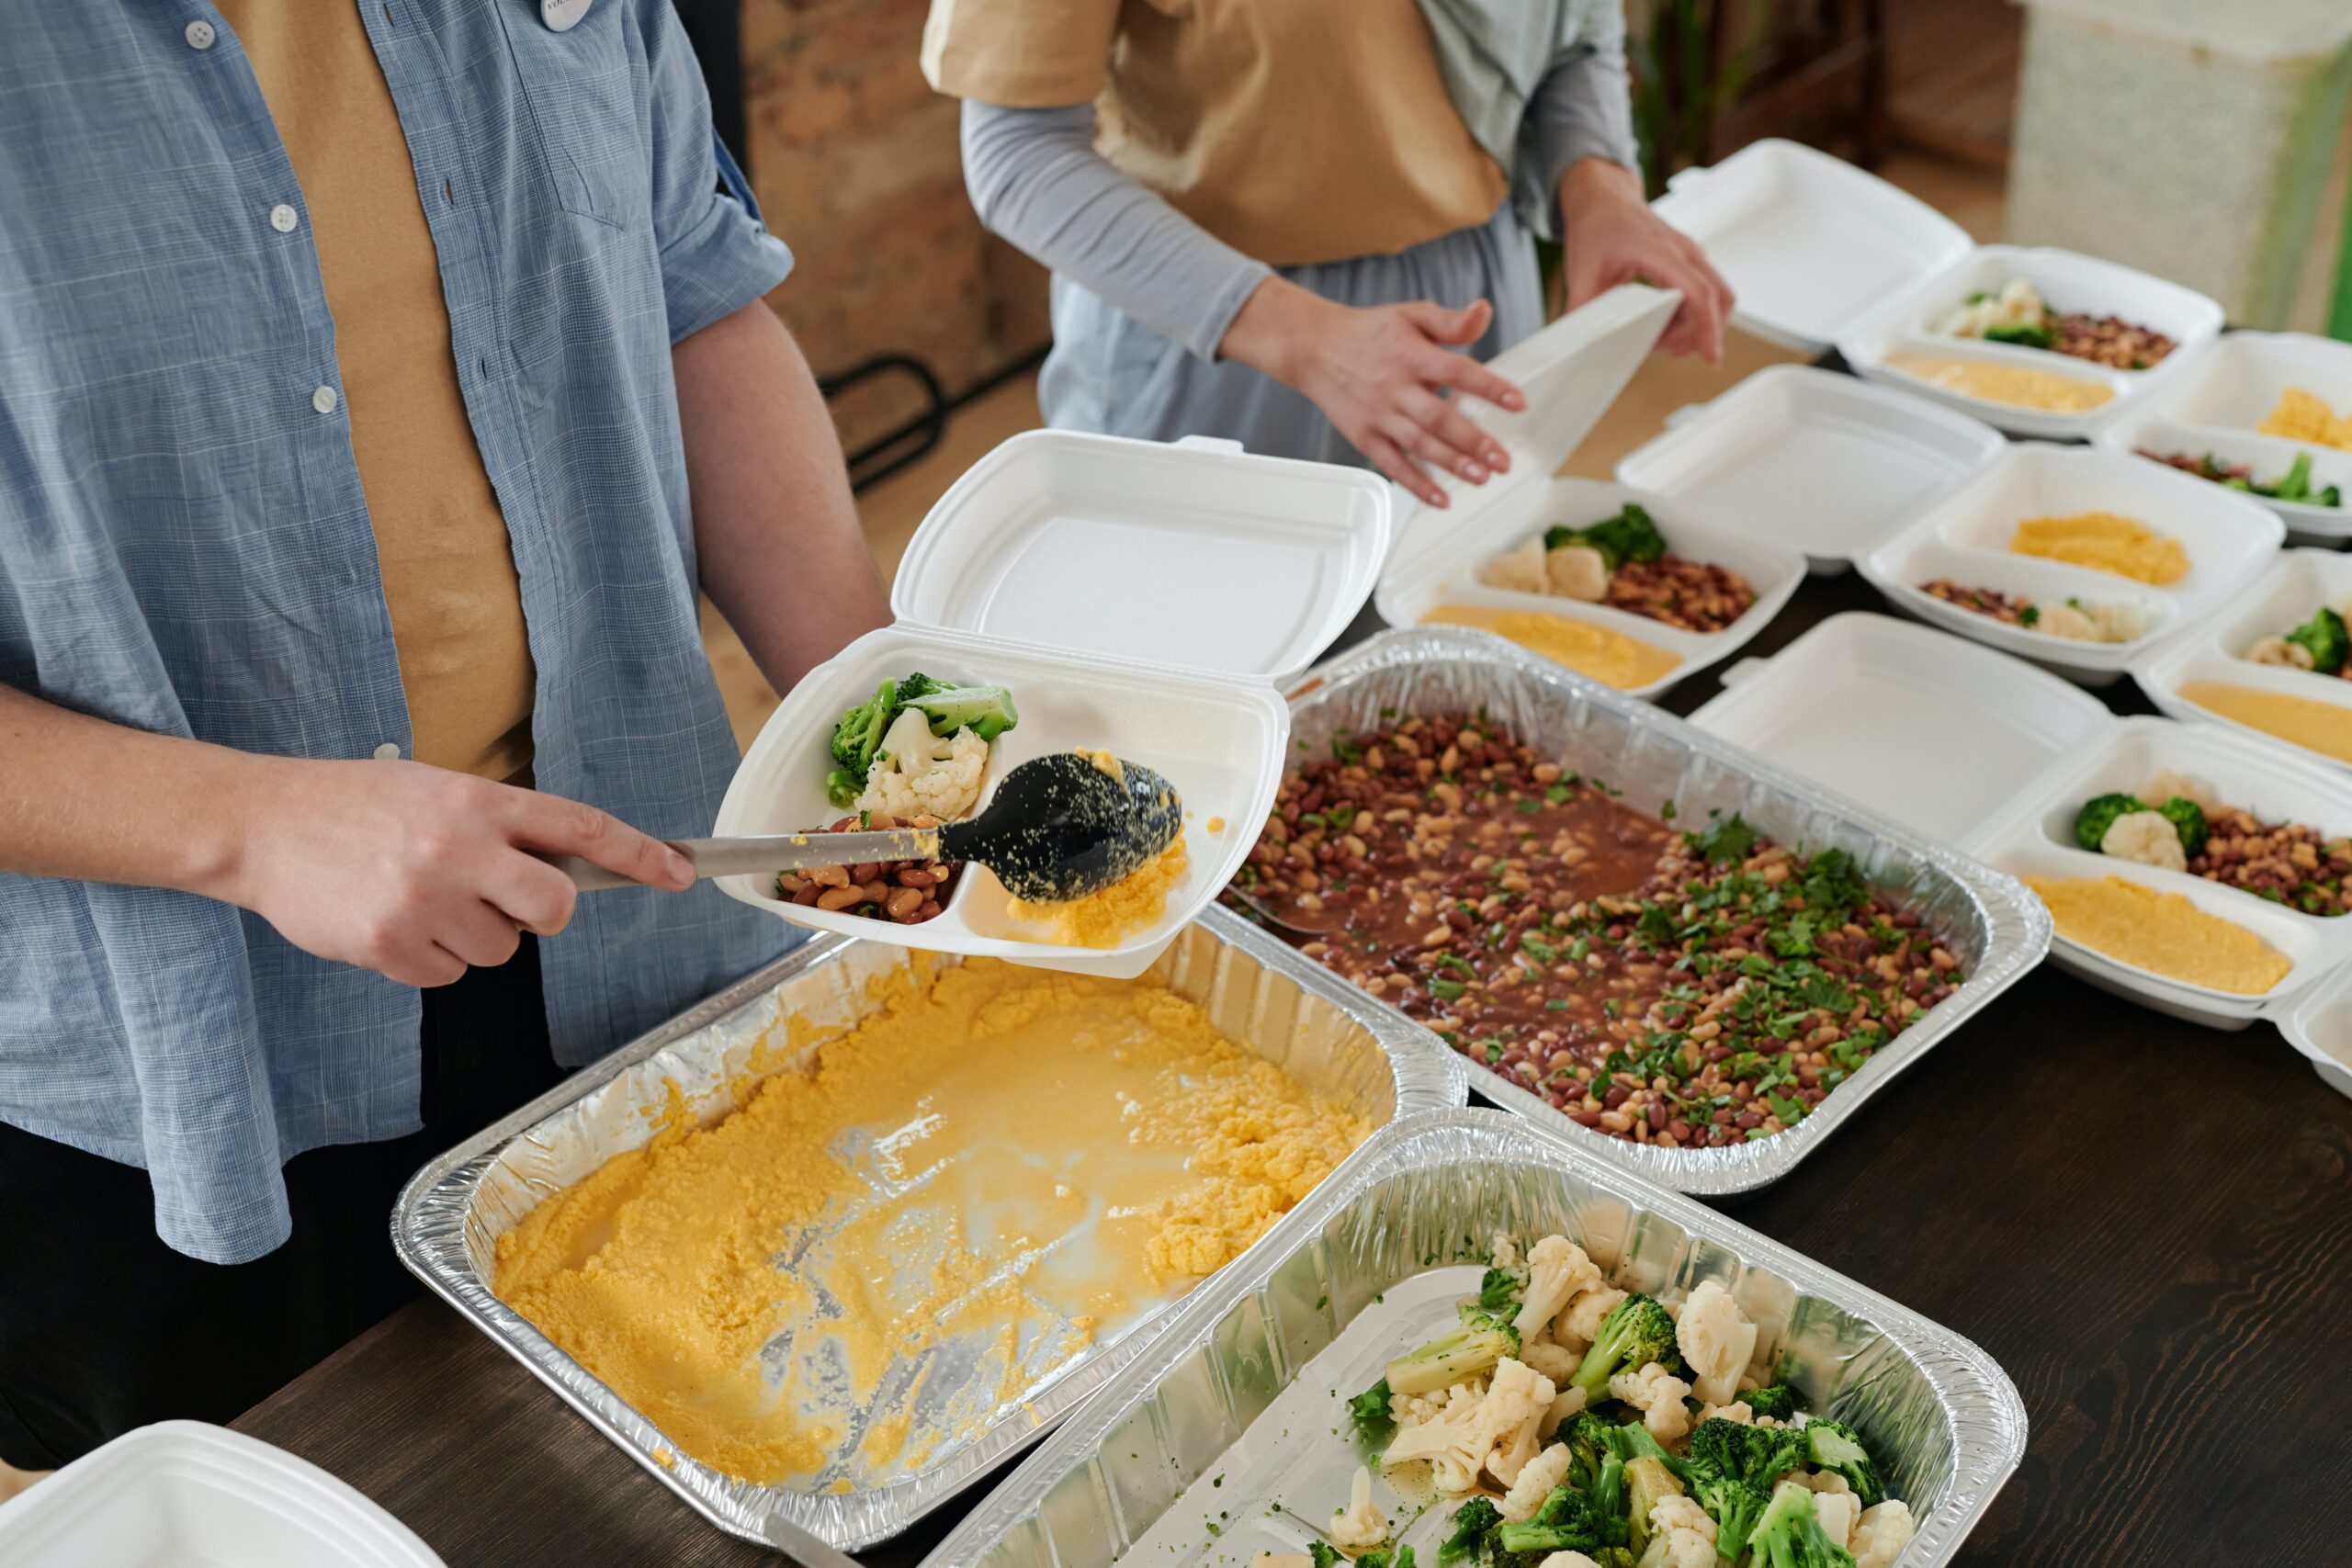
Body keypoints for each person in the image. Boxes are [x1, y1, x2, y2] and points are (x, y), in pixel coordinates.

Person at [0, 0, 888, 1483]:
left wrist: (893, 720)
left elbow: (688, 294)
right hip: (186, 1067)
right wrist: (250, 821)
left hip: (642, 938)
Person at [923, 0, 1736, 511]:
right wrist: (1307, 338)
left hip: (1478, 308)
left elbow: (1571, 24)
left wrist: (1598, 183)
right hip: (1219, 346)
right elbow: (1015, 153)